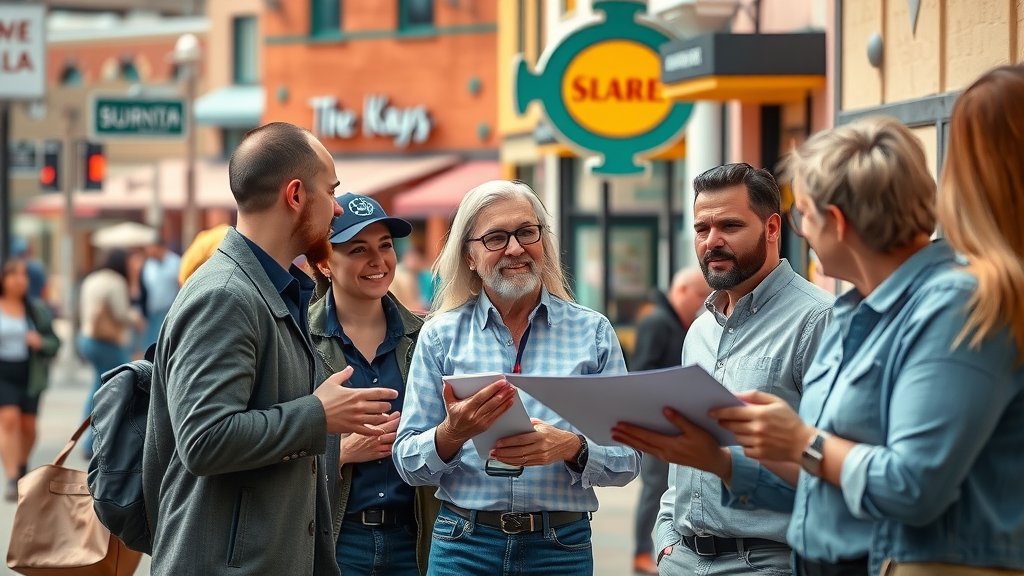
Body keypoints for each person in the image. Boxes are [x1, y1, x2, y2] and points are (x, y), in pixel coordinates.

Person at [680, 73, 1024, 576]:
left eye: (806, 215)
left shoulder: (951, 304)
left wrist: (799, 439)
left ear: (836, 223)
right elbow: (824, 480)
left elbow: (910, 485)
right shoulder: (853, 312)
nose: (800, 230)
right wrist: (722, 460)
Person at [142, 122, 401, 575]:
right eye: (331, 190)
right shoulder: (224, 295)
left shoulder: (275, 290)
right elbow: (204, 440)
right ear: (296, 195)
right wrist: (320, 415)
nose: (338, 208)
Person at [393, 180, 641, 576]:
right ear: (470, 257)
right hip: (464, 545)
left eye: (527, 232)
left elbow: (629, 458)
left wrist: (572, 448)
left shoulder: (592, 333)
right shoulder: (440, 335)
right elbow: (407, 463)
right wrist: (451, 434)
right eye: (495, 237)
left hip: (560, 548)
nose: (515, 248)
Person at [611, 163, 834, 576]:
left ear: (771, 229)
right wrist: (666, 540)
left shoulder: (818, 321)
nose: (712, 241)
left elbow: (830, 466)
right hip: (681, 559)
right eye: (701, 229)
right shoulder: (698, 329)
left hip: (767, 562)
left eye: (729, 226)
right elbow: (682, 460)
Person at [307, 193, 440, 576]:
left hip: (414, 540)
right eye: (358, 249)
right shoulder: (299, 337)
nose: (378, 261)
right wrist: (341, 452)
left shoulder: (428, 337)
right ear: (323, 262)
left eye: (385, 246)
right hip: (336, 539)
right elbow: (277, 439)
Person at [629, 268, 710, 575]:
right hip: (657, 422)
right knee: (655, 488)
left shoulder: (684, 323)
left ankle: (660, 547)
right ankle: (641, 552)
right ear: (681, 291)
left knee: (670, 487)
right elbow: (641, 373)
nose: (703, 301)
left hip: (678, 423)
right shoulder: (657, 322)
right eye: (699, 295)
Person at [0, 256, 60, 501]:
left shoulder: (36, 310)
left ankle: (22, 465)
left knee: (29, 427)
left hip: (30, 374)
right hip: (3, 373)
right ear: (4, 279)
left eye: (24, 275)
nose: (20, 280)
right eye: (14, 274)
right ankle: (13, 477)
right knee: (9, 420)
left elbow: (55, 342)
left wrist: (40, 342)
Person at [78, 249, 137, 457]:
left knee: (97, 386)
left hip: (87, 339)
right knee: (120, 386)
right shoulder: (116, 282)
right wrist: (135, 317)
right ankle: (98, 442)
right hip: (108, 342)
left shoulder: (91, 279)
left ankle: (87, 442)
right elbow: (121, 313)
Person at [140, 237, 181, 347]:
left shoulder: (176, 263)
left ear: (159, 247)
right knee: (150, 346)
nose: (148, 250)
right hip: (152, 314)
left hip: (168, 312)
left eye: (150, 247)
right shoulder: (148, 265)